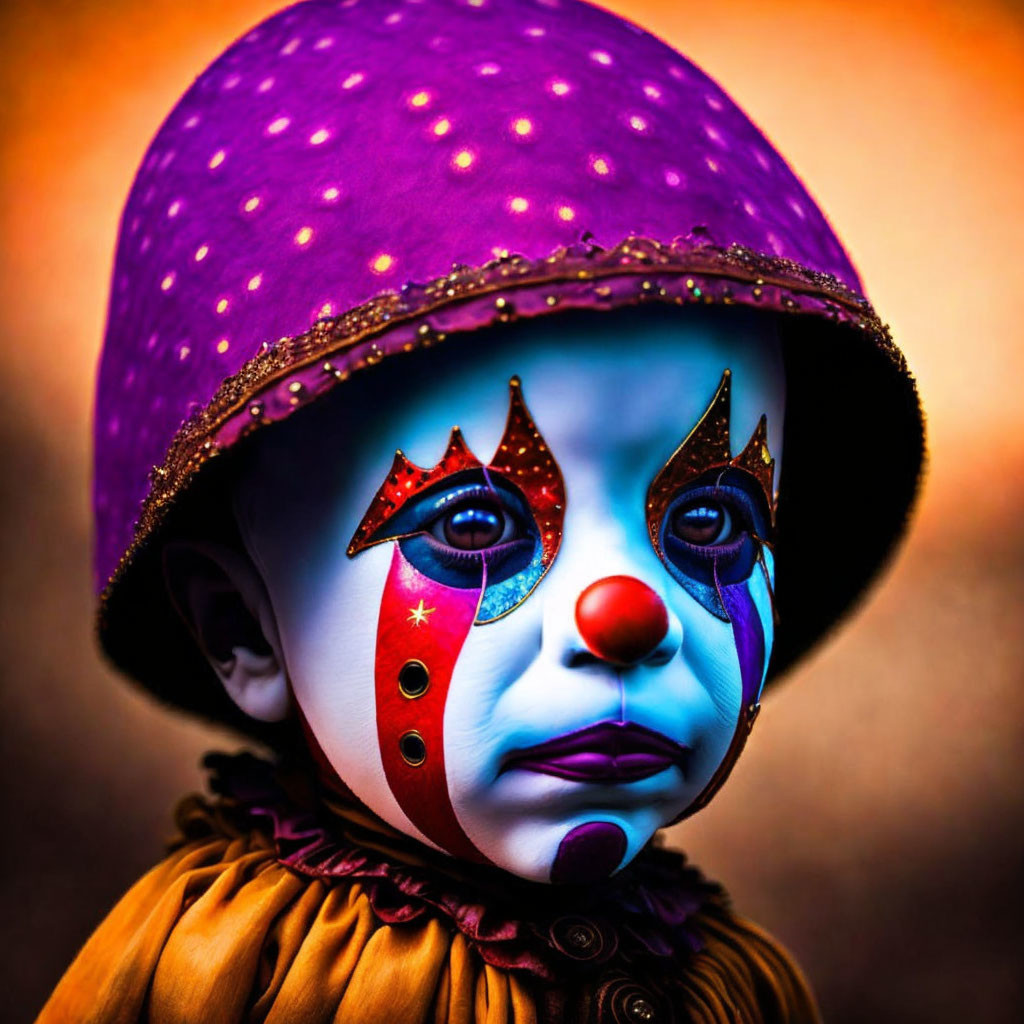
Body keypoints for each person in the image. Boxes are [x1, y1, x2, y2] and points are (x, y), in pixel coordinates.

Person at [38, 1, 924, 1021]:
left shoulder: (740, 982)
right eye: (471, 526)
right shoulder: (231, 973)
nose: (628, 617)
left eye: (712, 522)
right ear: (243, 629)